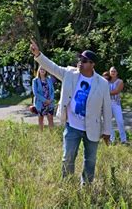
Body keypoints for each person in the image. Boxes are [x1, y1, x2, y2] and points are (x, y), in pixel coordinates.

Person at [30, 40, 112, 184]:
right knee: (67, 157)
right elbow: (52, 67)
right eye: (80, 59)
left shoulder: (102, 83)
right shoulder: (70, 74)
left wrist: (107, 131)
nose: (80, 62)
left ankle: (86, 186)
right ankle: (67, 185)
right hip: (72, 126)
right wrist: (38, 55)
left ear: (92, 64)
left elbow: (106, 109)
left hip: (92, 128)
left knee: (90, 160)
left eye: (85, 60)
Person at [32, 66, 55, 131]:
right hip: (40, 103)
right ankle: (41, 134)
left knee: (50, 118)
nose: (42, 70)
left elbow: (53, 91)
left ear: (46, 71)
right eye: (41, 69)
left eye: (44, 69)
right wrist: (45, 100)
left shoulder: (49, 79)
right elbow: (35, 93)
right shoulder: (35, 81)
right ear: (39, 70)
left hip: (50, 103)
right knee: (40, 118)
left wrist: (50, 100)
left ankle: (52, 134)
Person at [108, 66, 127, 144]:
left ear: (117, 73)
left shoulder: (120, 81)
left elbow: (116, 91)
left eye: (114, 71)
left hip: (116, 103)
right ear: (109, 72)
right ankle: (112, 139)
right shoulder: (106, 81)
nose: (113, 73)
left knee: (120, 121)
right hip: (107, 103)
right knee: (109, 122)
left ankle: (123, 139)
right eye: (111, 71)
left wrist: (104, 92)